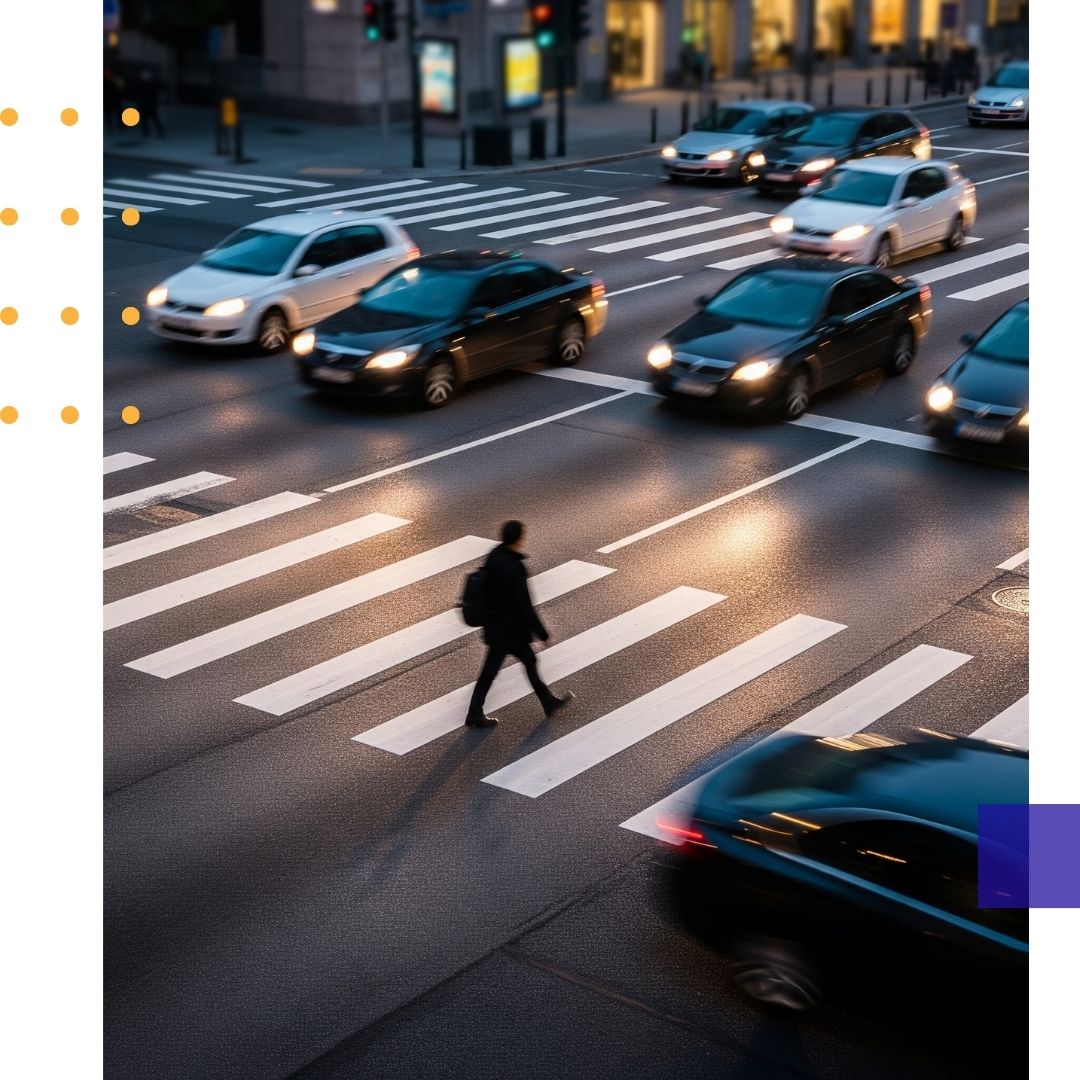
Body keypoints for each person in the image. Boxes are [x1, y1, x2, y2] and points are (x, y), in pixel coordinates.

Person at [465, 521, 574, 729]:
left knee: (506, 667)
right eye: (524, 535)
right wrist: (542, 633)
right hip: (510, 631)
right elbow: (524, 605)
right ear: (518, 539)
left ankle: (546, 702)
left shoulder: (495, 555)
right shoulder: (513, 567)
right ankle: (475, 713)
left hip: (496, 627)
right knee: (516, 665)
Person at [135, 69, 165, 138]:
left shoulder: (148, 85)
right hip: (146, 105)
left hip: (148, 105)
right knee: (148, 120)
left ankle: (151, 132)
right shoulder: (145, 85)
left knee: (152, 119)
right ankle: (147, 132)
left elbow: (153, 95)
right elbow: (139, 95)